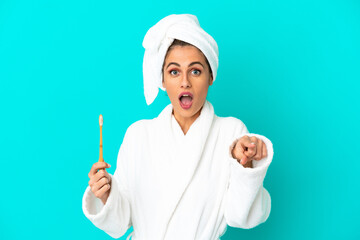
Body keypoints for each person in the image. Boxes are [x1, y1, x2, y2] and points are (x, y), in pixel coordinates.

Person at [82, 14, 274, 240]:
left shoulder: (231, 134)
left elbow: (241, 217)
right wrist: (106, 194)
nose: (185, 81)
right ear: (162, 80)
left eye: (195, 71)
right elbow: (121, 221)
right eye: (174, 72)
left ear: (210, 76)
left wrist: (247, 164)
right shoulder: (139, 135)